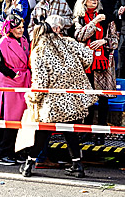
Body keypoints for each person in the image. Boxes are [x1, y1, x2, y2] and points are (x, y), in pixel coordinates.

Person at [19, 18, 97, 178]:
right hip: (73, 99)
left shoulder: (39, 51)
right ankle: (77, 166)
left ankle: (28, 164)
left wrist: (32, 98)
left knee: (42, 133)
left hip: (52, 102)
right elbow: (88, 56)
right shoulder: (67, 42)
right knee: (71, 132)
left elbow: (40, 83)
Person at [0, 15, 30, 166]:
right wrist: (14, 74)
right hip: (10, 83)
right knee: (8, 119)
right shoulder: (3, 42)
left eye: (22, 28)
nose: (20, 30)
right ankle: (3, 153)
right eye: (17, 28)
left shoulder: (24, 41)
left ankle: (14, 151)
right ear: (10, 28)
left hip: (23, 81)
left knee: (19, 120)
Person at [73, 0, 119, 126]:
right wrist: (93, 23)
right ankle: (87, 130)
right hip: (86, 63)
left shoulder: (107, 17)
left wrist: (104, 41)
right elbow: (79, 36)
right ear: (84, 0)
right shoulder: (79, 19)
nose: (95, 0)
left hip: (103, 62)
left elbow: (115, 40)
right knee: (88, 97)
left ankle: (101, 131)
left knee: (103, 98)